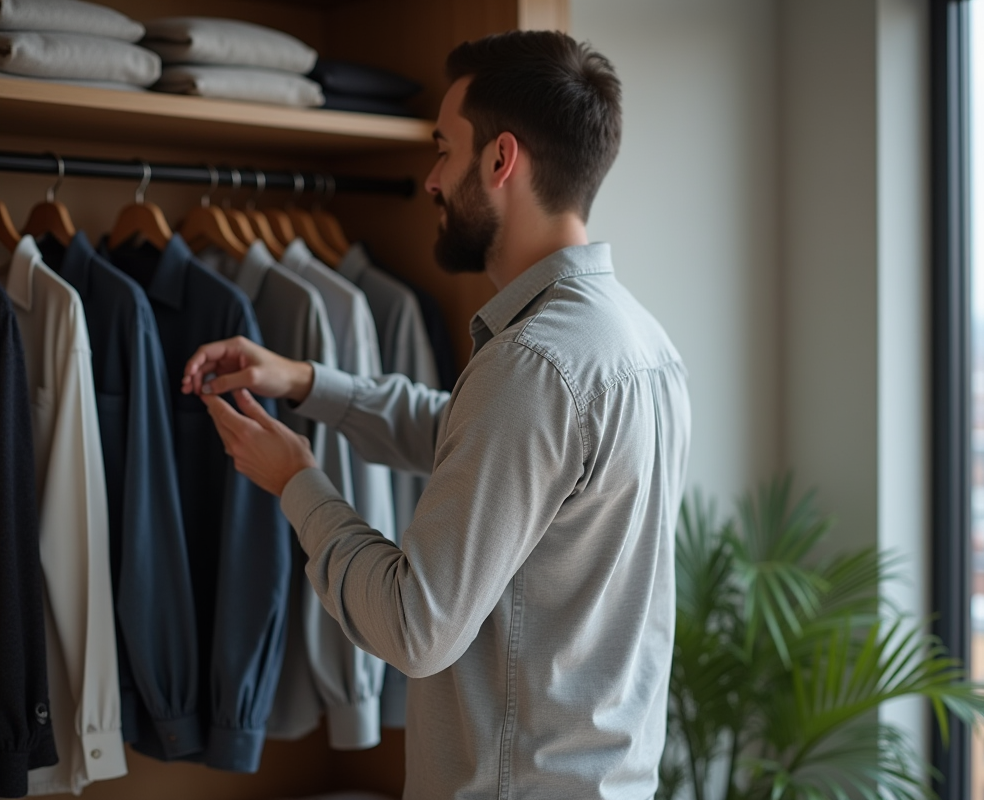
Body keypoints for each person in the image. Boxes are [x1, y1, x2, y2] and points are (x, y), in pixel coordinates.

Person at [181, 30, 691, 800]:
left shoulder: (532, 364)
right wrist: (308, 381)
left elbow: (414, 627)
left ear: (501, 159)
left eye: (444, 150)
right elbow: (472, 439)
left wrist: (297, 483)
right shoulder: (640, 342)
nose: (430, 179)